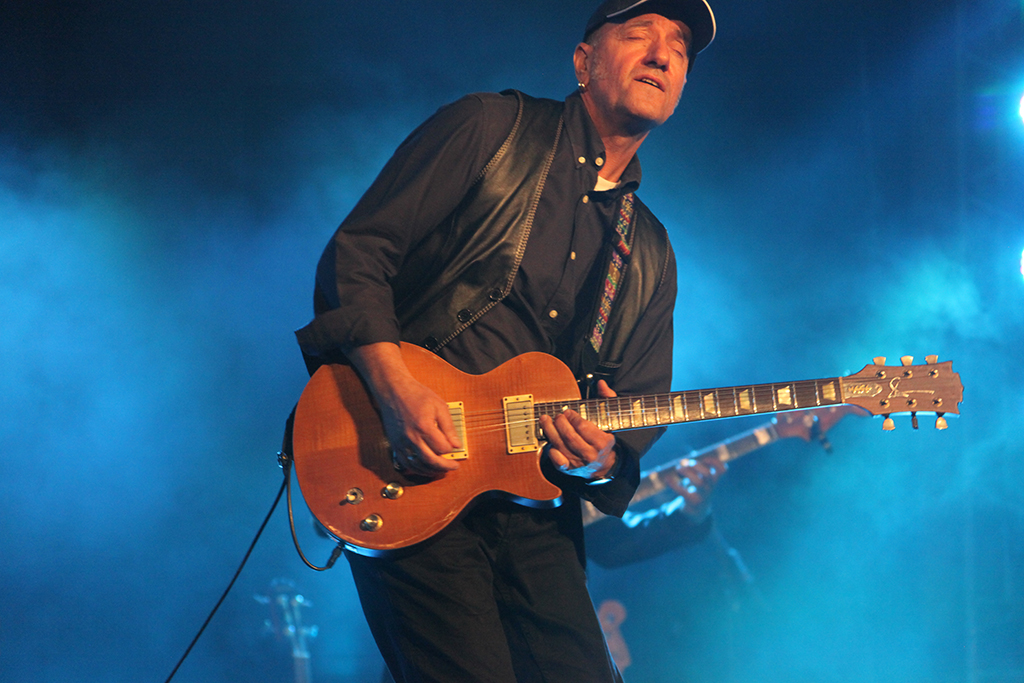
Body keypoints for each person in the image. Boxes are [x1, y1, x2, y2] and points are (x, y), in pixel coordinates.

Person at [294, 1, 717, 681]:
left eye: (680, 48)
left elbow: (634, 409)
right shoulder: (490, 130)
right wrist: (397, 393)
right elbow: (358, 256)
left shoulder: (649, 251)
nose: (661, 54)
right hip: (409, 468)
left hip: (536, 506)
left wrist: (602, 458)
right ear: (583, 62)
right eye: (639, 34)